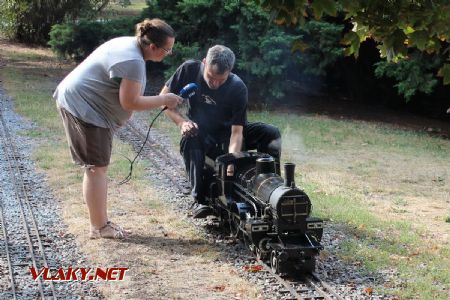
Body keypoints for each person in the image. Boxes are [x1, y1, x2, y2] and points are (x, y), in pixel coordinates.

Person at [53, 18, 182, 239]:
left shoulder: (130, 45)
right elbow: (130, 102)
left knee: (97, 167)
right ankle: (100, 227)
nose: (168, 54)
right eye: (167, 50)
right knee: (96, 168)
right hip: (84, 108)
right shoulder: (133, 61)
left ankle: (101, 223)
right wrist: (164, 99)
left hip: (84, 104)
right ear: (153, 47)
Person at [161, 45, 281, 218]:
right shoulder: (188, 70)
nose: (214, 84)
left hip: (229, 131)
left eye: (221, 80)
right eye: (210, 77)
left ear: (230, 71)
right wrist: (182, 123)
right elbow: (164, 101)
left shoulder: (237, 87)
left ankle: (270, 189)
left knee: (270, 133)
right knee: (190, 137)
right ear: (204, 63)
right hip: (201, 130)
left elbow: (237, 132)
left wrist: (232, 161)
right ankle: (199, 199)